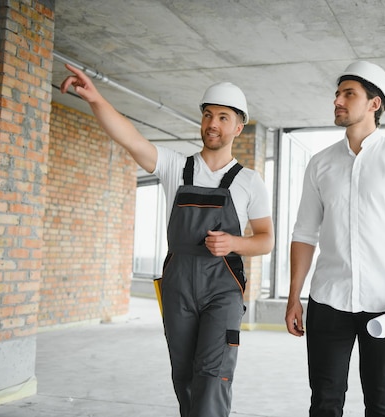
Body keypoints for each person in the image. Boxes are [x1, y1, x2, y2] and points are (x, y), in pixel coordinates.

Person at [60, 64, 274, 417]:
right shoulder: (176, 166)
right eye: (208, 115)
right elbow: (129, 137)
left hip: (222, 288)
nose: (213, 124)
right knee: (184, 376)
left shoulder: (249, 181)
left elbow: (266, 240)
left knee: (213, 374)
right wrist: (96, 98)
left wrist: (233, 244)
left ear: (238, 126)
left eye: (223, 117)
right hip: (178, 286)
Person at [285, 61, 385, 417]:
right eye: (337, 94)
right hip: (327, 301)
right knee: (324, 402)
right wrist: (294, 296)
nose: (337, 100)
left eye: (348, 94)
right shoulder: (320, 164)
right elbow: (304, 234)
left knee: (380, 402)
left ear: (375, 103)